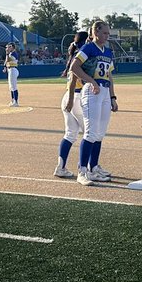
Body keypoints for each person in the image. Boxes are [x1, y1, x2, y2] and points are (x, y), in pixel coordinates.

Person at [69, 20, 118, 185]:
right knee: (90, 133)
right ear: (95, 32)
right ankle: (82, 171)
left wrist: (112, 97)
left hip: (104, 92)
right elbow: (74, 67)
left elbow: (109, 76)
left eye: (108, 33)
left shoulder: (108, 51)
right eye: (104, 33)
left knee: (100, 134)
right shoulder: (88, 48)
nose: (106, 36)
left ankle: (93, 167)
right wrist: (91, 81)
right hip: (91, 91)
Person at [53, 30, 89, 179]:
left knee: (70, 134)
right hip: (77, 96)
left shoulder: (75, 54)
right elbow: (75, 77)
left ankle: (60, 167)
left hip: (69, 96)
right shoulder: (83, 54)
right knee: (90, 134)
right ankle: (88, 168)